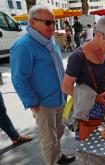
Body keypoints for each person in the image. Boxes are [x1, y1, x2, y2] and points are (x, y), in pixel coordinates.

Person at [10, 5, 75, 165]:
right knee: (49, 139)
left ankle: (58, 156)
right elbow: (19, 79)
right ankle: (53, 161)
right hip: (43, 103)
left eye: (54, 22)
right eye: (48, 22)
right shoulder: (24, 45)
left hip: (60, 97)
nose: (52, 26)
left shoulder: (50, 41)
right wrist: (33, 103)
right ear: (32, 22)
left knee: (58, 132)